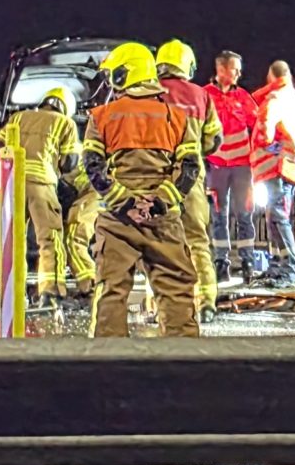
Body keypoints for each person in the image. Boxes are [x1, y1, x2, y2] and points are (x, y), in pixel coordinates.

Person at [78, 42, 204, 337]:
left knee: (111, 290)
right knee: (176, 290)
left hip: (118, 220)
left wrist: (125, 202)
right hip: (163, 220)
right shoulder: (178, 117)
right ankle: (185, 363)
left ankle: (108, 366)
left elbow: (94, 168)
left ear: (124, 75)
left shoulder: (101, 116)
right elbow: (189, 169)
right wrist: (159, 203)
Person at [0, 83, 85, 296]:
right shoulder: (66, 123)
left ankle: (12, 294)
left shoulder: (18, 117)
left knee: (12, 240)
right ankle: (50, 292)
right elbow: (70, 162)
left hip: (12, 186)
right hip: (42, 185)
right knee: (50, 239)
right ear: (65, 107)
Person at [154, 40, 223, 313]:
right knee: (197, 241)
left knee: (158, 242)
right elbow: (214, 140)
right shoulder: (201, 95)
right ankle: (206, 302)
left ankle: (163, 306)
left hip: (157, 178)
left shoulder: (150, 93)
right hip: (191, 178)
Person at [249, 58, 295, 286]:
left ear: (270, 77)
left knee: (277, 217)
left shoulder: (276, 99)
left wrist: (262, 143)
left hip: (275, 165)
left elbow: (264, 130)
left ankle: (287, 269)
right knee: (276, 216)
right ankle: (278, 265)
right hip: (292, 166)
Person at [204, 50, 260, 282]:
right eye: (234, 69)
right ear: (221, 70)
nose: (238, 73)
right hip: (215, 167)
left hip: (242, 168)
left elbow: (257, 125)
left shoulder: (244, 97)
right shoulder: (205, 96)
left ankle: (247, 261)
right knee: (219, 215)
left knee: (245, 214)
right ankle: (221, 262)